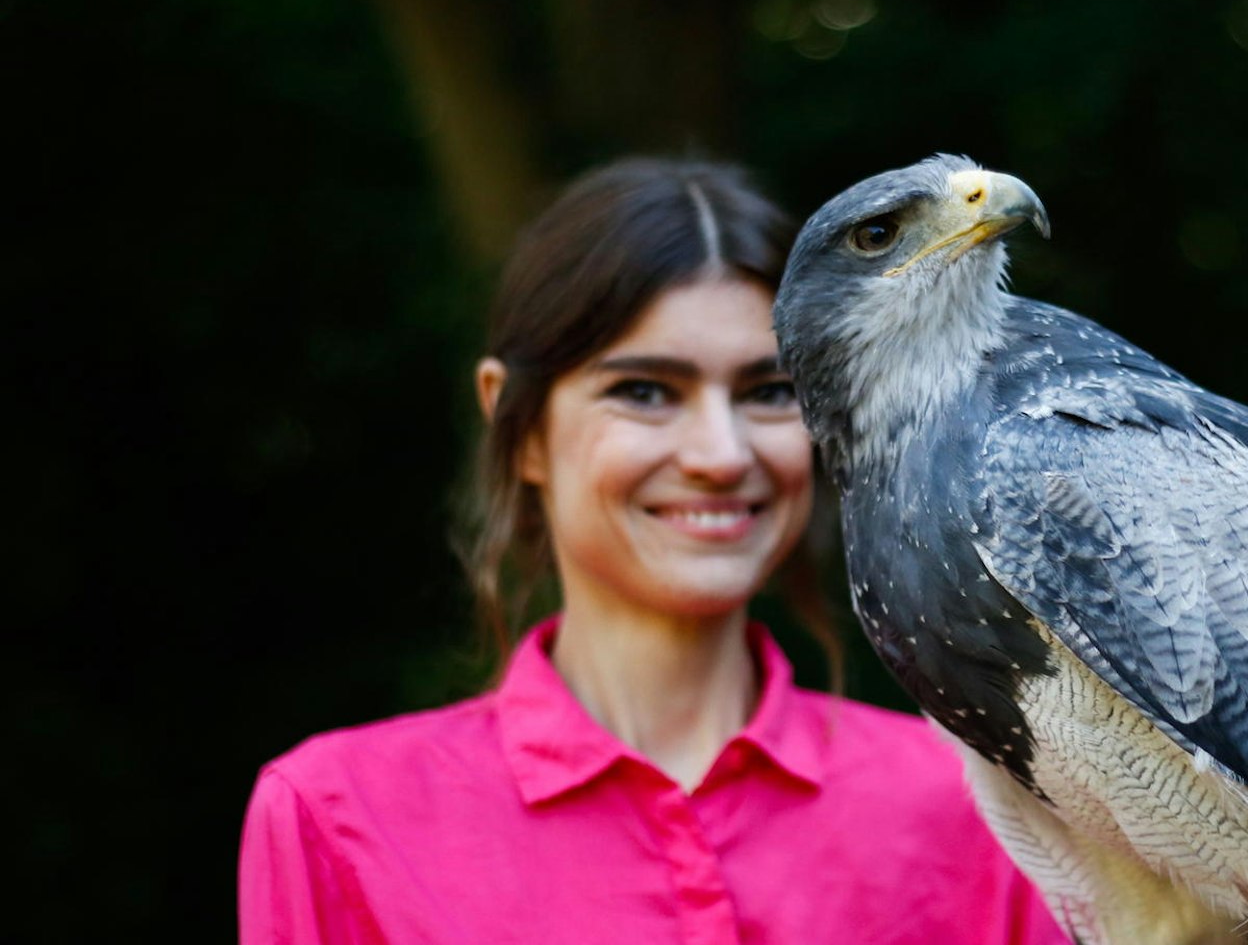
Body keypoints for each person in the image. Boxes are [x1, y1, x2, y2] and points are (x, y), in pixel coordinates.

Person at [238, 158, 1069, 944]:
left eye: (769, 391)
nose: (721, 454)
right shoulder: (336, 815)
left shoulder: (990, 806)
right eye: (644, 392)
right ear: (516, 425)